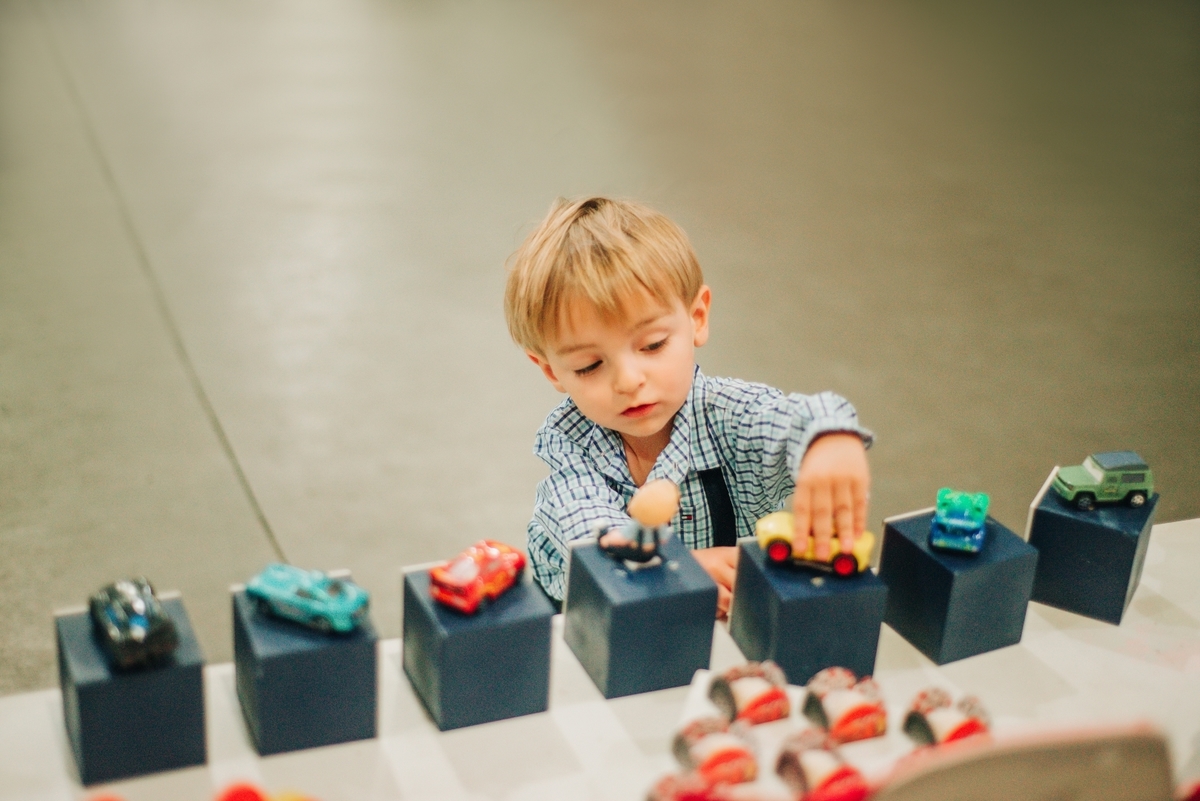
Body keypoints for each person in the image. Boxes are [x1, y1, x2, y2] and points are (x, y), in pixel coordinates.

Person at [504, 196, 873, 617]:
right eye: (589, 366)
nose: (629, 381)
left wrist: (829, 441)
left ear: (697, 317)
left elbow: (793, 420)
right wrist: (674, 571)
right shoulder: (572, 459)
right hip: (600, 639)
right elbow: (594, 542)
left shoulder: (729, 416)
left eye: (653, 345)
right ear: (551, 371)